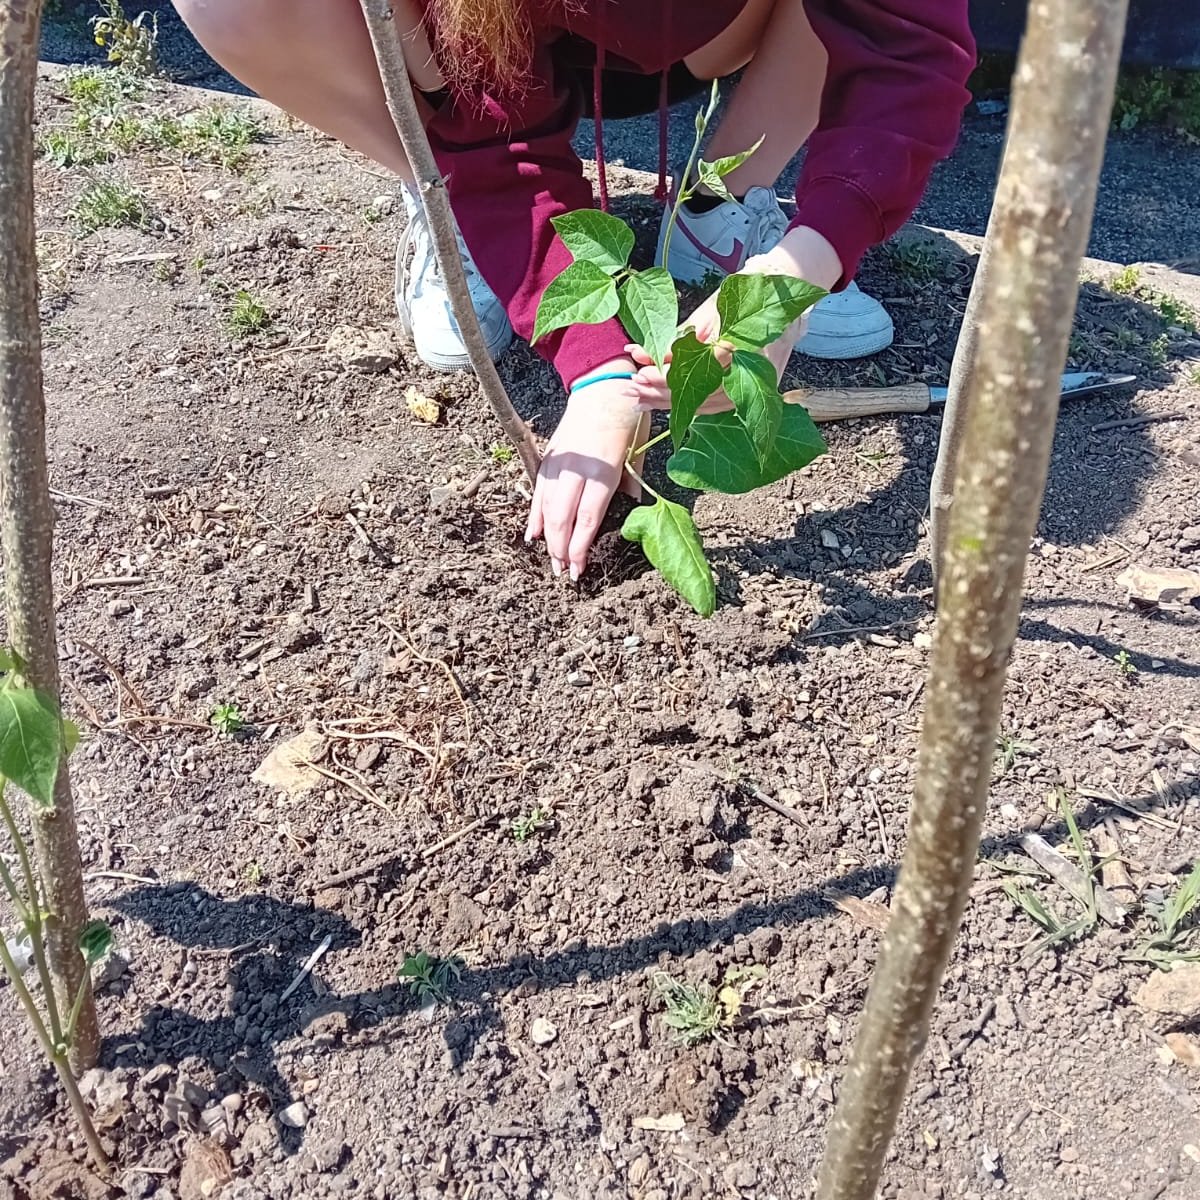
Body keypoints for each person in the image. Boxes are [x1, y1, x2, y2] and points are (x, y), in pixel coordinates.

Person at [173, 0, 974, 581]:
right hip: (487, 33)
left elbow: (908, 44)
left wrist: (809, 260)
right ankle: (440, 186)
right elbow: (499, 138)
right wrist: (599, 371)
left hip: (718, 27)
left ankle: (717, 212)